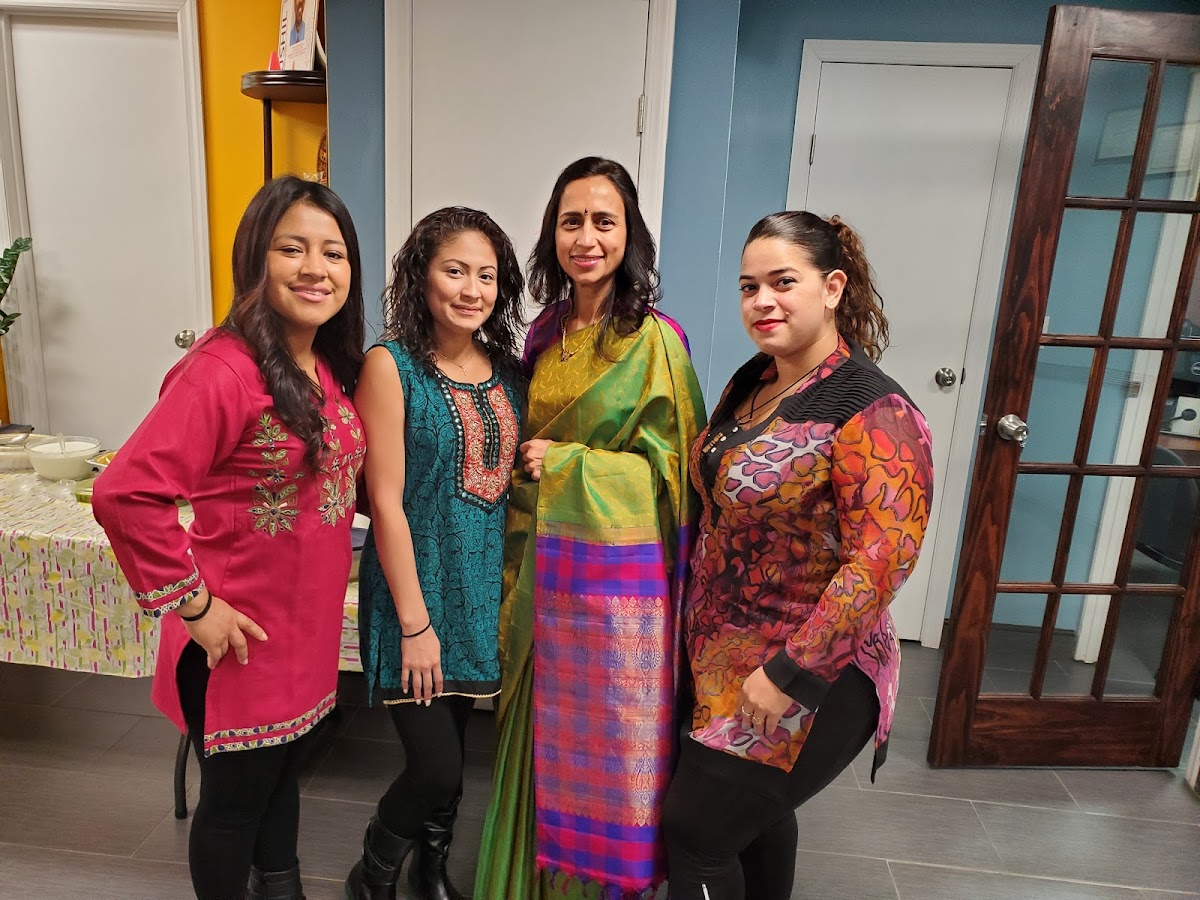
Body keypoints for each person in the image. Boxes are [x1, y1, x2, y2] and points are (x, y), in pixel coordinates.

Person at [93, 175, 366, 900]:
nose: (315, 268)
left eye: (333, 252)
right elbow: (125, 493)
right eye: (292, 248)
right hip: (237, 640)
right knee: (234, 806)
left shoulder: (323, 363)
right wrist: (196, 606)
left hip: (301, 633)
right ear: (255, 259)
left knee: (279, 779)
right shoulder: (221, 370)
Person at [662, 211, 934, 899]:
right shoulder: (756, 382)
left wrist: (791, 670)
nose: (763, 301)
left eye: (783, 282)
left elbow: (882, 560)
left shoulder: (873, 408)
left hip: (811, 666)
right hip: (725, 656)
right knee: (752, 821)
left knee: (697, 834)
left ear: (832, 287)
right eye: (749, 287)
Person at [474, 157, 706, 899]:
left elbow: (675, 480)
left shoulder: (655, 342)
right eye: (571, 221)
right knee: (532, 734)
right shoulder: (543, 333)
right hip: (536, 571)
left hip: (611, 592)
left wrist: (570, 464)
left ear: (630, 234)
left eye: (604, 221)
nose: (586, 238)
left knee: (604, 740)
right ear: (553, 232)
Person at [344, 207, 526, 900]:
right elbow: (385, 502)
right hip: (413, 596)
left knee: (453, 754)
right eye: (455, 270)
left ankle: (431, 872)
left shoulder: (512, 374)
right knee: (436, 768)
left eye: (487, 276)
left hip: (479, 597)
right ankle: (371, 875)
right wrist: (415, 625)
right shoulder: (390, 366)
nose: (472, 290)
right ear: (422, 276)